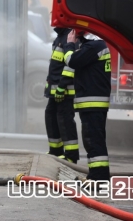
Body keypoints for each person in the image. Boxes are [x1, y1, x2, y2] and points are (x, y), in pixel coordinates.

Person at [66, 30, 111, 181]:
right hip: (93, 103)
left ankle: (99, 179)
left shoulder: (94, 46)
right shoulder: (95, 46)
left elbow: (72, 61)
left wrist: (70, 44)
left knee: (94, 141)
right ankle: (95, 176)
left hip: (93, 103)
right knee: (93, 141)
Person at [44, 27, 79, 163]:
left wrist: (62, 86)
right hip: (54, 90)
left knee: (65, 121)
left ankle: (71, 156)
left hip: (64, 91)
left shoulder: (70, 37)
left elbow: (71, 65)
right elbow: (55, 65)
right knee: (51, 117)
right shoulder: (60, 37)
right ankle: (56, 151)